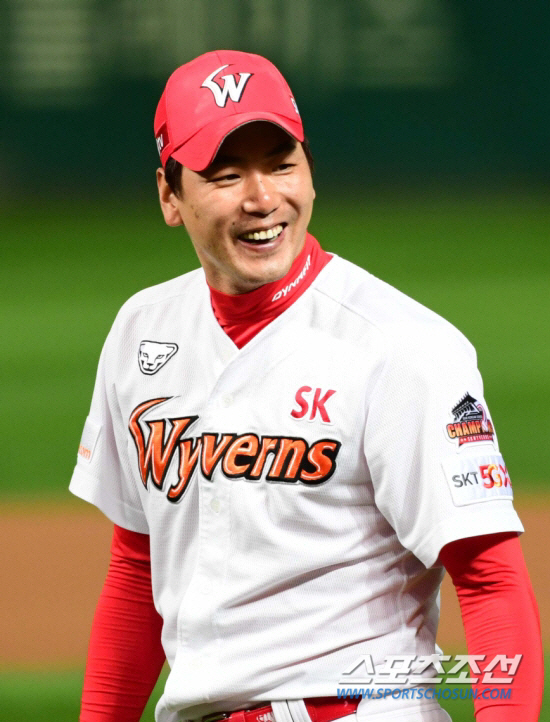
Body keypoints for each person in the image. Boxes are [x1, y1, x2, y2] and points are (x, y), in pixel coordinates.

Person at [70, 50, 543, 722]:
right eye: (226, 175)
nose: (263, 198)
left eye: (281, 165)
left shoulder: (401, 346)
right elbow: (137, 567)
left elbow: (490, 579)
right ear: (170, 197)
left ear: (311, 172)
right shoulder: (143, 329)